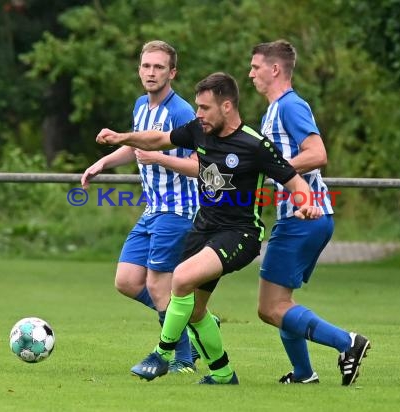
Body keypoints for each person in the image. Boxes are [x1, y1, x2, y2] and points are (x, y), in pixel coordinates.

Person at [96, 72, 323, 384]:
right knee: (195, 311)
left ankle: (162, 354)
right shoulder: (199, 131)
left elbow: (295, 181)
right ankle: (222, 373)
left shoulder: (255, 145)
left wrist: (307, 202)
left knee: (182, 278)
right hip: (203, 229)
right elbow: (159, 139)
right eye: (197, 107)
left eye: (204, 108)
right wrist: (124, 137)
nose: (198, 114)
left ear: (226, 106)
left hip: (241, 233)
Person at [249, 39, 371, 386]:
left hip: (304, 217)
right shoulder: (273, 110)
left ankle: (348, 343)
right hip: (301, 217)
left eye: (255, 67)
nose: (251, 74)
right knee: (281, 304)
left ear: (275, 69)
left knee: (270, 308)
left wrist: (275, 167)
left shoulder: (291, 106)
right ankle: (303, 374)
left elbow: (317, 153)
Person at [81, 40, 198, 373]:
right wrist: (103, 162)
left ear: (172, 72)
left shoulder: (181, 111)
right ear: (139, 70)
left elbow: (201, 166)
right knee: (127, 281)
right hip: (152, 210)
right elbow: (133, 147)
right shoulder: (141, 106)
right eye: (146, 66)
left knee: (158, 286)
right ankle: (191, 323)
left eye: (159, 67)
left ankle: (184, 359)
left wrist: (159, 156)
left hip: (177, 209)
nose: (151, 72)